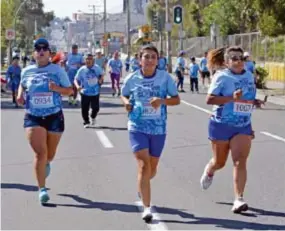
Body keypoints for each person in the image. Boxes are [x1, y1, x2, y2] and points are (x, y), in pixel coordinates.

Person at [200, 46, 264, 213]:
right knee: (220, 162)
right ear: (227, 62)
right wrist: (231, 98)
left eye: (240, 58)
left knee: (239, 161)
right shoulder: (221, 77)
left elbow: (247, 98)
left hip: (242, 126)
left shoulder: (249, 76)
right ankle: (210, 170)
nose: (238, 61)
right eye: (234, 58)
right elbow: (210, 99)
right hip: (220, 124)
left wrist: (254, 102)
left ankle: (238, 199)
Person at [121, 44, 180, 222]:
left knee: (152, 169)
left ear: (158, 60)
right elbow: (124, 94)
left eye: (153, 57)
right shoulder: (132, 78)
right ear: (140, 59)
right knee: (143, 166)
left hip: (158, 128)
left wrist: (162, 101)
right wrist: (126, 102)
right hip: (137, 126)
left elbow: (176, 100)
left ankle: (143, 184)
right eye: (146, 56)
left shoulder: (164, 78)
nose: (149, 60)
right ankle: (147, 207)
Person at [16, 38, 73, 204]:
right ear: (34, 53)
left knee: (50, 154)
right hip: (33, 116)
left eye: (44, 49)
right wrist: (20, 94)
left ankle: (46, 163)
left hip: (54, 116)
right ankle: (42, 189)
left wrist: (56, 88)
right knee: (40, 153)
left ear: (49, 53)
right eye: (37, 49)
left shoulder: (57, 70)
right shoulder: (27, 71)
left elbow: (70, 91)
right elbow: (23, 84)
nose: (41, 51)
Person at [74, 54, 104, 128]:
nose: (88, 60)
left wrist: (100, 80)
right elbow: (75, 79)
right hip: (85, 92)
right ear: (85, 60)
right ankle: (86, 122)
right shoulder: (82, 69)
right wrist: (77, 86)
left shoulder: (97, 68)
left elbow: (102, 75)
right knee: (84, 109)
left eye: (90, 59)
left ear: (93, 60)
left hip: (95, 92)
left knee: (96, 108)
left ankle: (93, 116)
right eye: (87, 59)